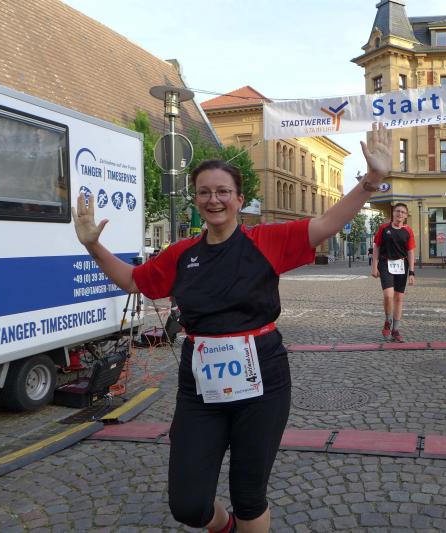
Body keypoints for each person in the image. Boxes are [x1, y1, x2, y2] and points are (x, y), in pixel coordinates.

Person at [72, 124, 391, 533]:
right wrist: (93, 245)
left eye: (223, 191)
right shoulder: (180, 254)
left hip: (263, 379)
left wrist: (370, 181)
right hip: (199, 383)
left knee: (249, 496)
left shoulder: (266, 241)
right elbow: (135, 281)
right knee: (188, 504)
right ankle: (224, 528)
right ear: (196, 199)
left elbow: (328, 223)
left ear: (240, 199)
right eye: (204, 192)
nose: (214, 199)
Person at [371, 203, 415, 342]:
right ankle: (387, 320)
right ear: (393, 213)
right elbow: (377, 246)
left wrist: (412, 272)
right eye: (397, 211)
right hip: (385, 263)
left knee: (399, 298)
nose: (400, 214)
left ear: (406, 215)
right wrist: (374, 266)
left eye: (403, 212)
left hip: (402, 265)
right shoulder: (384, 228)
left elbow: (410, 252)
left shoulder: (408, 231)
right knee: (388, 295)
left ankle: (395, 330)